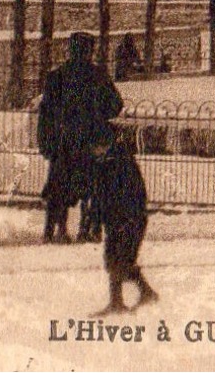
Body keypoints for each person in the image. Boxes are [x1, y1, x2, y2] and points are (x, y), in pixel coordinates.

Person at [37, 31, 123, 244]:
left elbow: (46, 112)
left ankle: (55, 230)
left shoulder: (57, 76)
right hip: (90, 142)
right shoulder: (98, 76)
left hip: (64, 143)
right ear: (89, 51)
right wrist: (99, 115)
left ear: (70, 49)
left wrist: (46, 141)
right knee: (92, 187)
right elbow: (116, 105)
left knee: (59, 188)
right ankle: (87, 229)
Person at [88, 130, 158, 315]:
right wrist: (96, 223)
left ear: (102, 145)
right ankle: (142, 294)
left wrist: (126, 218)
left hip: (129, 219)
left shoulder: (121, 162)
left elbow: (134, 193)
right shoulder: (103, 162)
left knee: (121, 260)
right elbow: (99, 197)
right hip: (115, 220)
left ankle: (121, 302)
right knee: (116, 259)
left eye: (93, 148)